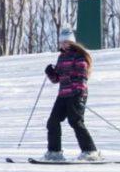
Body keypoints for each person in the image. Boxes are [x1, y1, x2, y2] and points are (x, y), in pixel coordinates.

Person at [43, 26, 100, 162]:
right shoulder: (61, 57)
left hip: (76, 94)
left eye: (67, 42)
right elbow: (57, 79)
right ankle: (54, 153)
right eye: (62, 42)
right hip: (63, 95)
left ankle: (90, 151)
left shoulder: (79, 56)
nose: (64, 44)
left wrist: (78, 92)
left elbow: (82, 76)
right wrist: (50, 72)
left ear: (72, 42)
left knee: (75, 121)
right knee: (53, 121)